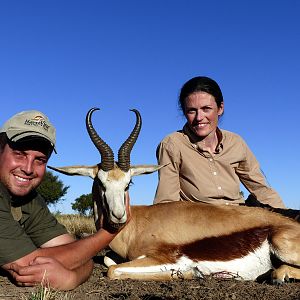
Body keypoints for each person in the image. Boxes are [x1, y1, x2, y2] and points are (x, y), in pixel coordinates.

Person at [0, 110, 130, 290]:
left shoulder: (29, 199)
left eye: (40, 159)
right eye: (19, 154)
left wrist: (72, 277)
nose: (28, 168)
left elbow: (81, 254)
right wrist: (109, 231)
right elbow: (27, 265)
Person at [154, 76, 285, 209]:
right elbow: (166, 204)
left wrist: (288, 217)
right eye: (192, 111)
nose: (199, 118)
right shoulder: (172, 144)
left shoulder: (235, 142)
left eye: (206, 109)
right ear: (184, 112)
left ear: (220, 108)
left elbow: (261, 189)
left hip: (240, 217)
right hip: (200, 224)